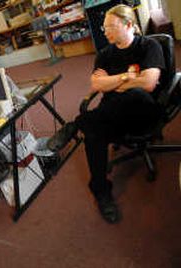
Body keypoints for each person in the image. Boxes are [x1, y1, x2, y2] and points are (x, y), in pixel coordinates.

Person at [47, 4, 165, 223]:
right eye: (104, 28)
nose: (106, 31)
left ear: (129, 25)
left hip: (142, 111)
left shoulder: (150, 46)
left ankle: (77, 124)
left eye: (111, 26)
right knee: (93, 133)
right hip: (109, 115)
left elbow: (148, 83)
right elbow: (96, 84)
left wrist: (113, 83)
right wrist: (125, 79)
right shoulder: (104, 55)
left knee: (136, 95)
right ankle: (102, 193)